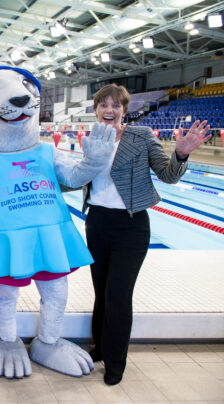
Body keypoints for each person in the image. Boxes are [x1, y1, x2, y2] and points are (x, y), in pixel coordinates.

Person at [83, 83, 211, 385]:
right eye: (103, 105)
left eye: (115, 105)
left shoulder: (141, 136)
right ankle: (100, 348)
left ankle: (116, 363)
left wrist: (180, 154)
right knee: (101, 292)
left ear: (125, 110)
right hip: (97, 222)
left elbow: (167, 176)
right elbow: (83, 176)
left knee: (118, 294)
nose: (109, 110)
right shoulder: (92, 138)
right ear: (96, 109)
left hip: (131, 226)